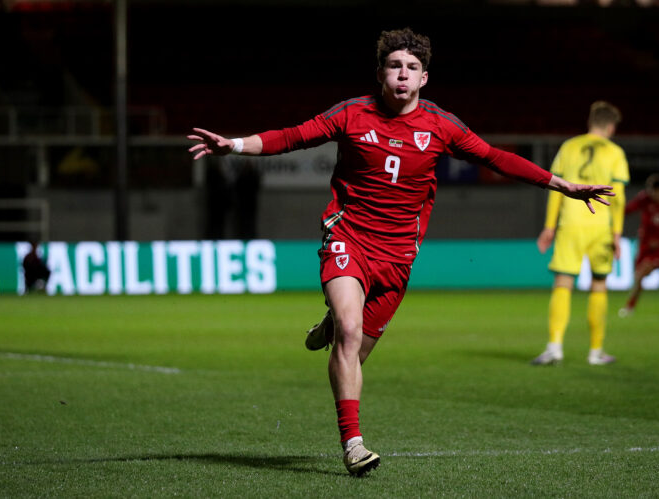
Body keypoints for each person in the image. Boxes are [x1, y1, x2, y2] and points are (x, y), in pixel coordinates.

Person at [188, 28, 614, 476]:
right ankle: (353, 444)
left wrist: (561, 185)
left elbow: (495, 157)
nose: (402, 74)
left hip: (397, 258)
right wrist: (234, 145)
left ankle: (333, 321)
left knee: (355, 351)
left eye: (411, 68)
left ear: (424, 78)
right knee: (351, 336)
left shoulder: (441, 125)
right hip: (347, 238)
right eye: (394, 66)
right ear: (380, 73)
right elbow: (292, 136)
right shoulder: (352, 114)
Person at [532, 101, 628, 366]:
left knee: (563, 283)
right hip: (601, 226)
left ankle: (554, 347)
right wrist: (618, 234)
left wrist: (550, 227)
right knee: (599, 284)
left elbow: (557, 188)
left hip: (570, 223)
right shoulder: (615, 152)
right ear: (610, 126)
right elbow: (617, 198)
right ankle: (595, 352)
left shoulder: (569, 146)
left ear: (590, 122)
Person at [619, 174, 659, 316]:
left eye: (655, 191)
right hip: (644, 246)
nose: (652, 194)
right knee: (637, 277)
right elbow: (627, 210)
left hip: (658, 249)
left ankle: (629, 307)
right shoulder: (645, 199)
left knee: (640, 274)